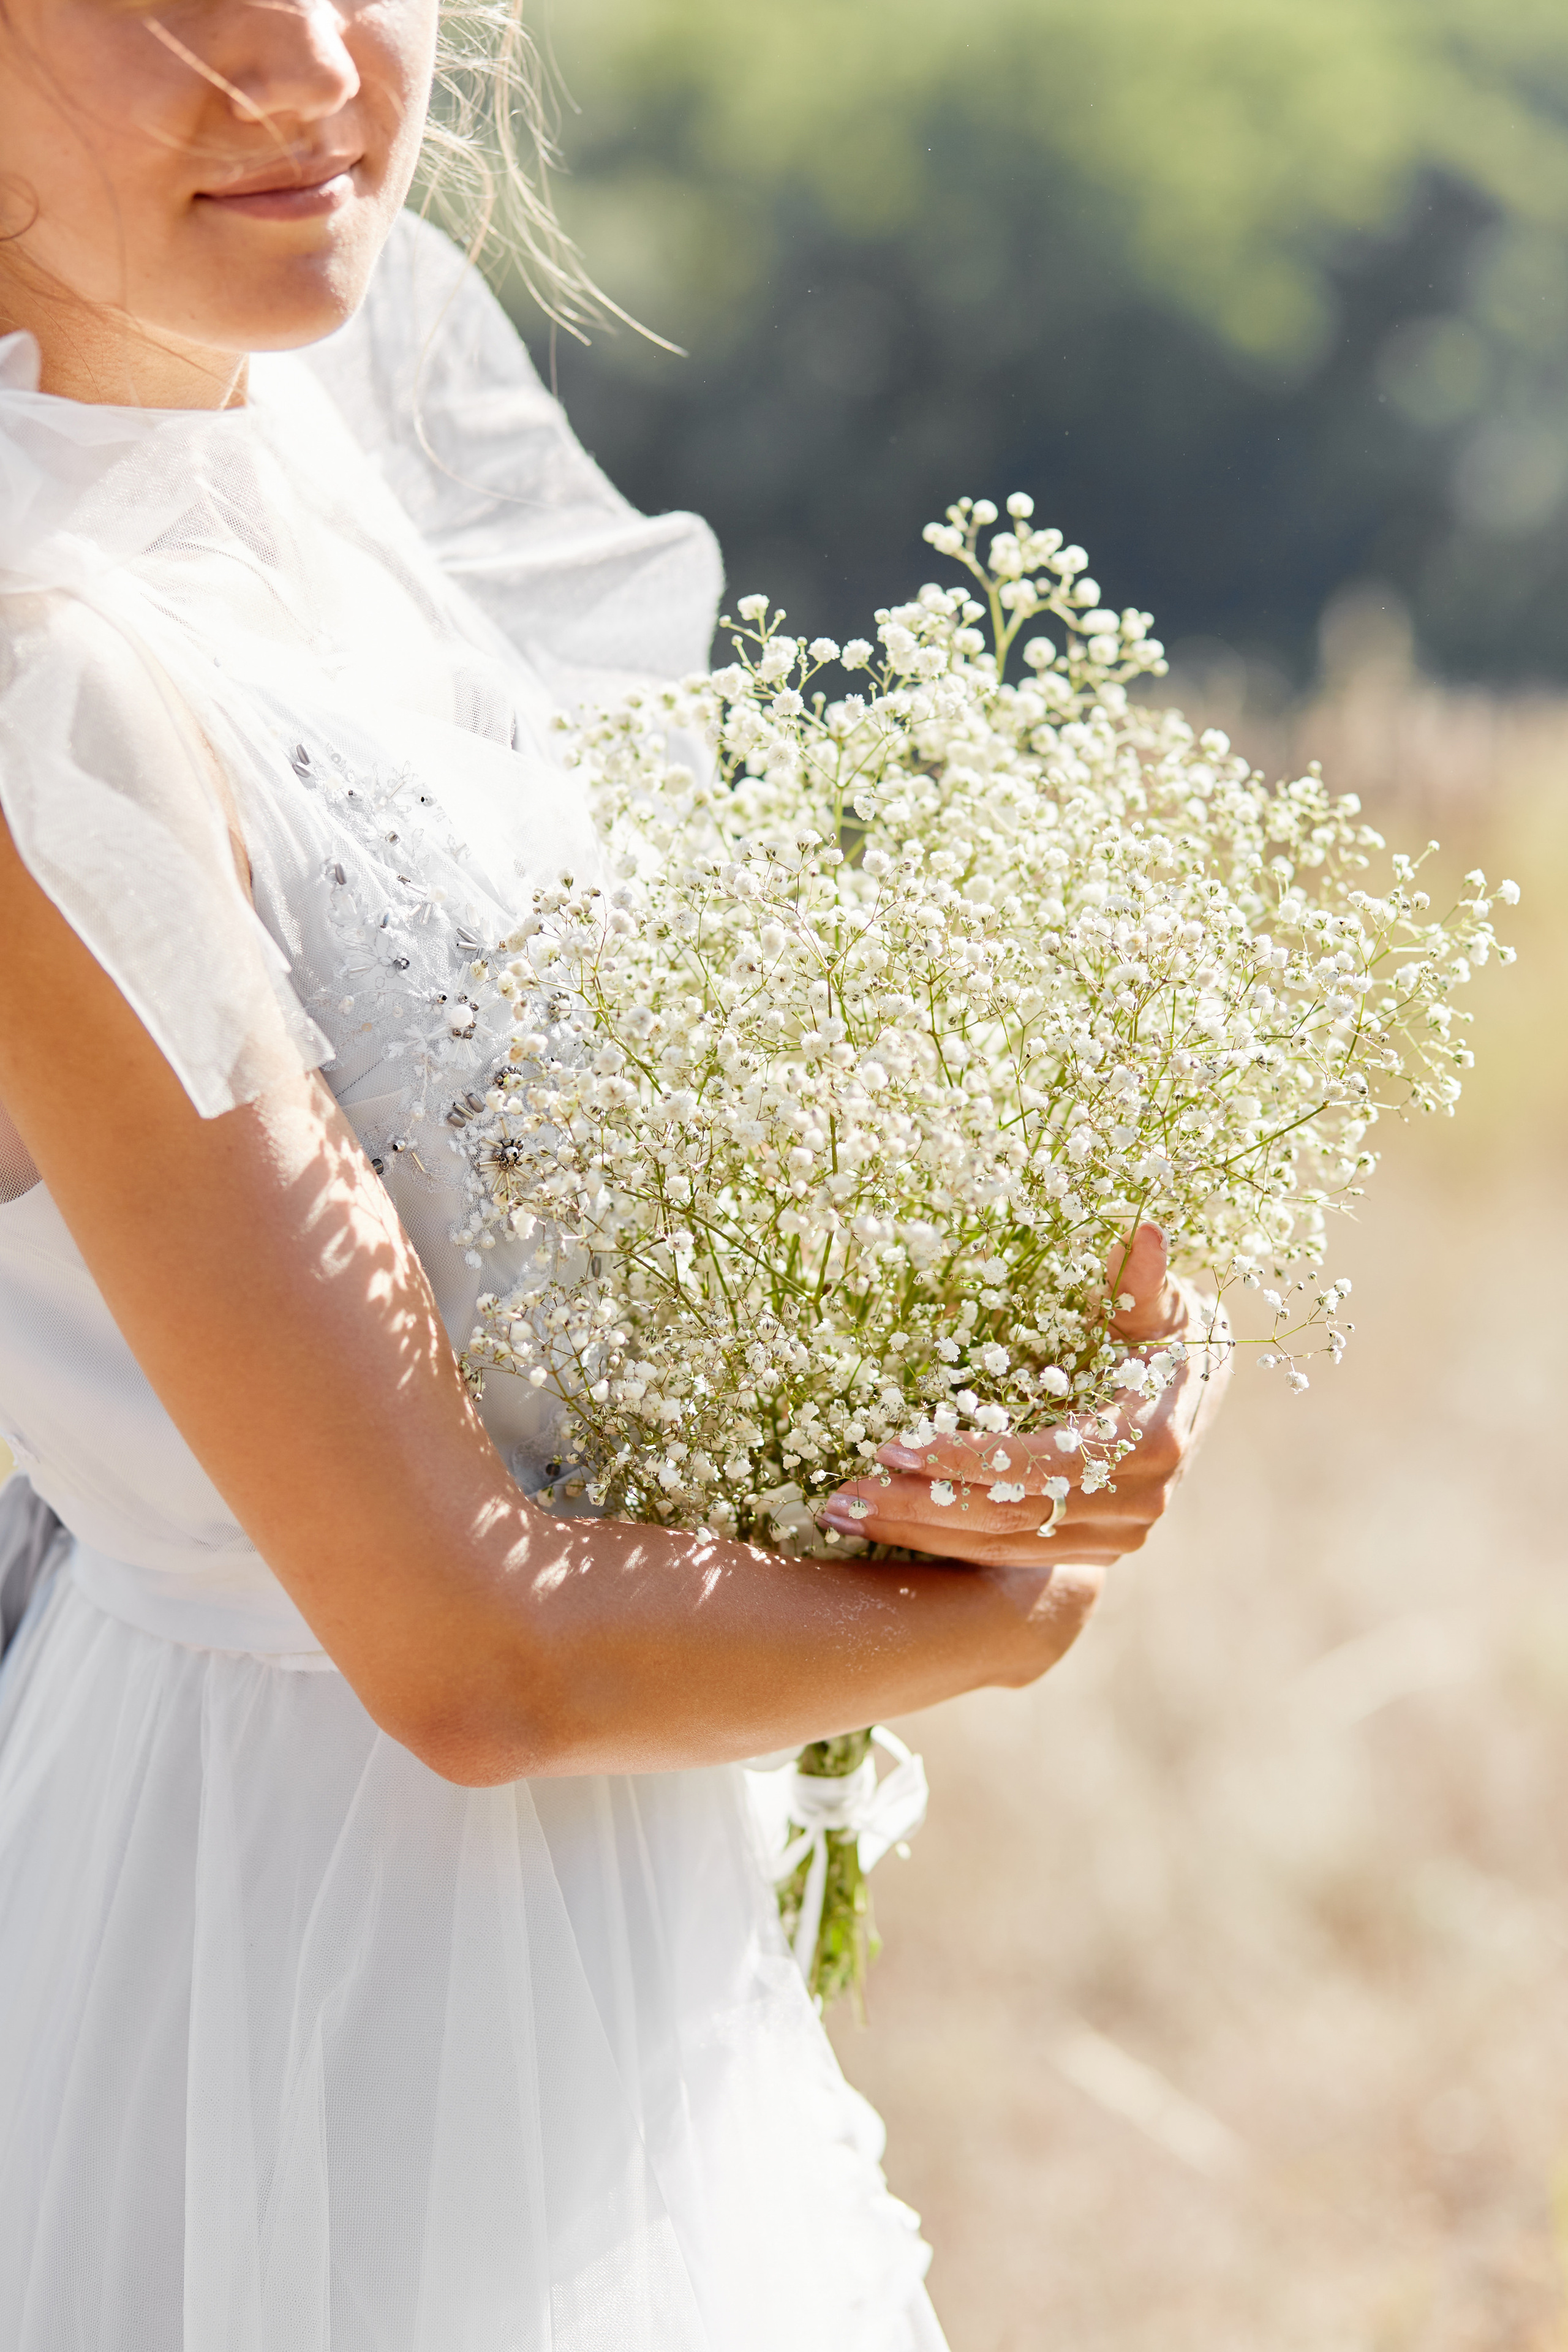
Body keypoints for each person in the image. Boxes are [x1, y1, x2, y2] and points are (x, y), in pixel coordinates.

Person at [0, 6, 1226, 2345]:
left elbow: (743, 1117)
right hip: (303, 1970)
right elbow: (466, 1653)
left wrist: (1075, 1375)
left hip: (628, 1951)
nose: (298, 66)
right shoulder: (48, 693)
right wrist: (997, 1618)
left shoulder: (359, 434)